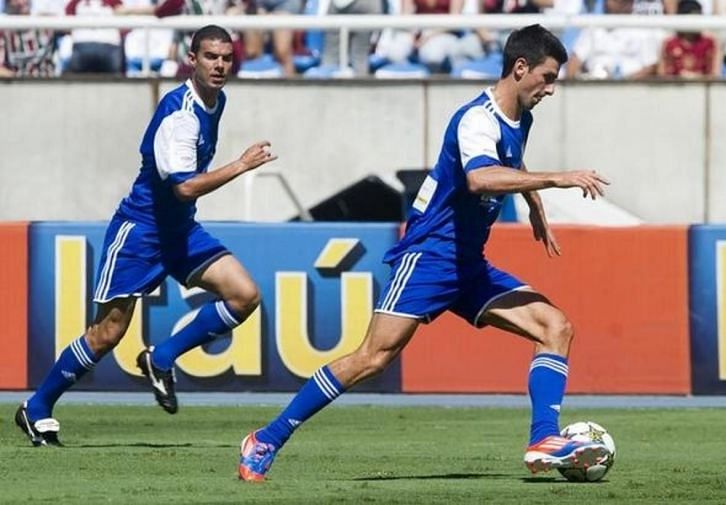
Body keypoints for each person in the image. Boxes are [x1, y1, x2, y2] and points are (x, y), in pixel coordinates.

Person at [238, 24, 610, 482]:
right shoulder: (476, 118)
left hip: (468, 264)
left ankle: (542, 440)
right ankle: (266, 438)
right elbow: (480, 178)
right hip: (430, 257)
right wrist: (556, 180)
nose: (551, 88)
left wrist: (533, 205)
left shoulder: (520, 119)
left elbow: (510, 162)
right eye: (547, 77)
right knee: (372, 358)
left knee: (557, 326)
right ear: (520, 68)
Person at [15, 25, 278, 447]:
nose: (220, 65)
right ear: (191, 59)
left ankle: (162, 357)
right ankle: (37, 407)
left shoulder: (216, 101)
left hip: (180, 230)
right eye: (211, 56)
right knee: (106, 334)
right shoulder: (181, 115)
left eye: (226, 58)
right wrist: (241, 165)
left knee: (244, 295)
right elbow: (183, 187)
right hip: (142, 232)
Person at [658, 0, 721, 78]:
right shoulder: (670, 43)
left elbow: (714, 75)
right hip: (674, 88)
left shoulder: (710, 42)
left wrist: (696, 78)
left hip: (703, 88)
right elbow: (663, 75)